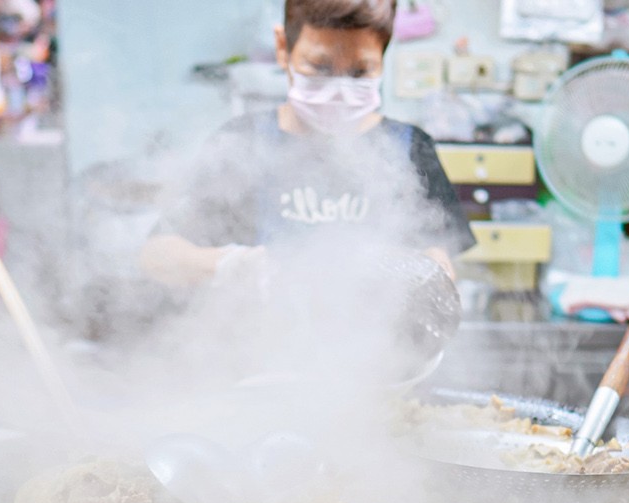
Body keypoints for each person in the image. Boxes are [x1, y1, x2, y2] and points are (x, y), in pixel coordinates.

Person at [141, 0, 475, 288]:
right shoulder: (241, 143)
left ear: (383, 61)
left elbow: (440, 259)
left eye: (360, 72)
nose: (339, 89)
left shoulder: (409, 149)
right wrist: (232, 265)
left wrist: (425, 273)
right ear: (283, 48)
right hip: (260, 354)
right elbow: (157, 255)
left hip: (377, 357)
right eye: (320, 67)